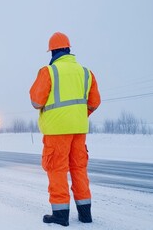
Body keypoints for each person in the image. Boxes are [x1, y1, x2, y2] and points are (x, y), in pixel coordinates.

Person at [29, 32, 101, 226]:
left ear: (52, 51)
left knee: (57, 169)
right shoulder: (86, 72)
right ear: (69, 50)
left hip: (56, 131)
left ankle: (60, 215)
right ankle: (85, 214)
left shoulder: (49, 72)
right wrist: (78, 115)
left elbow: (36, 101)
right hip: (79, 130)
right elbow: (95, 102)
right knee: (79, 169)